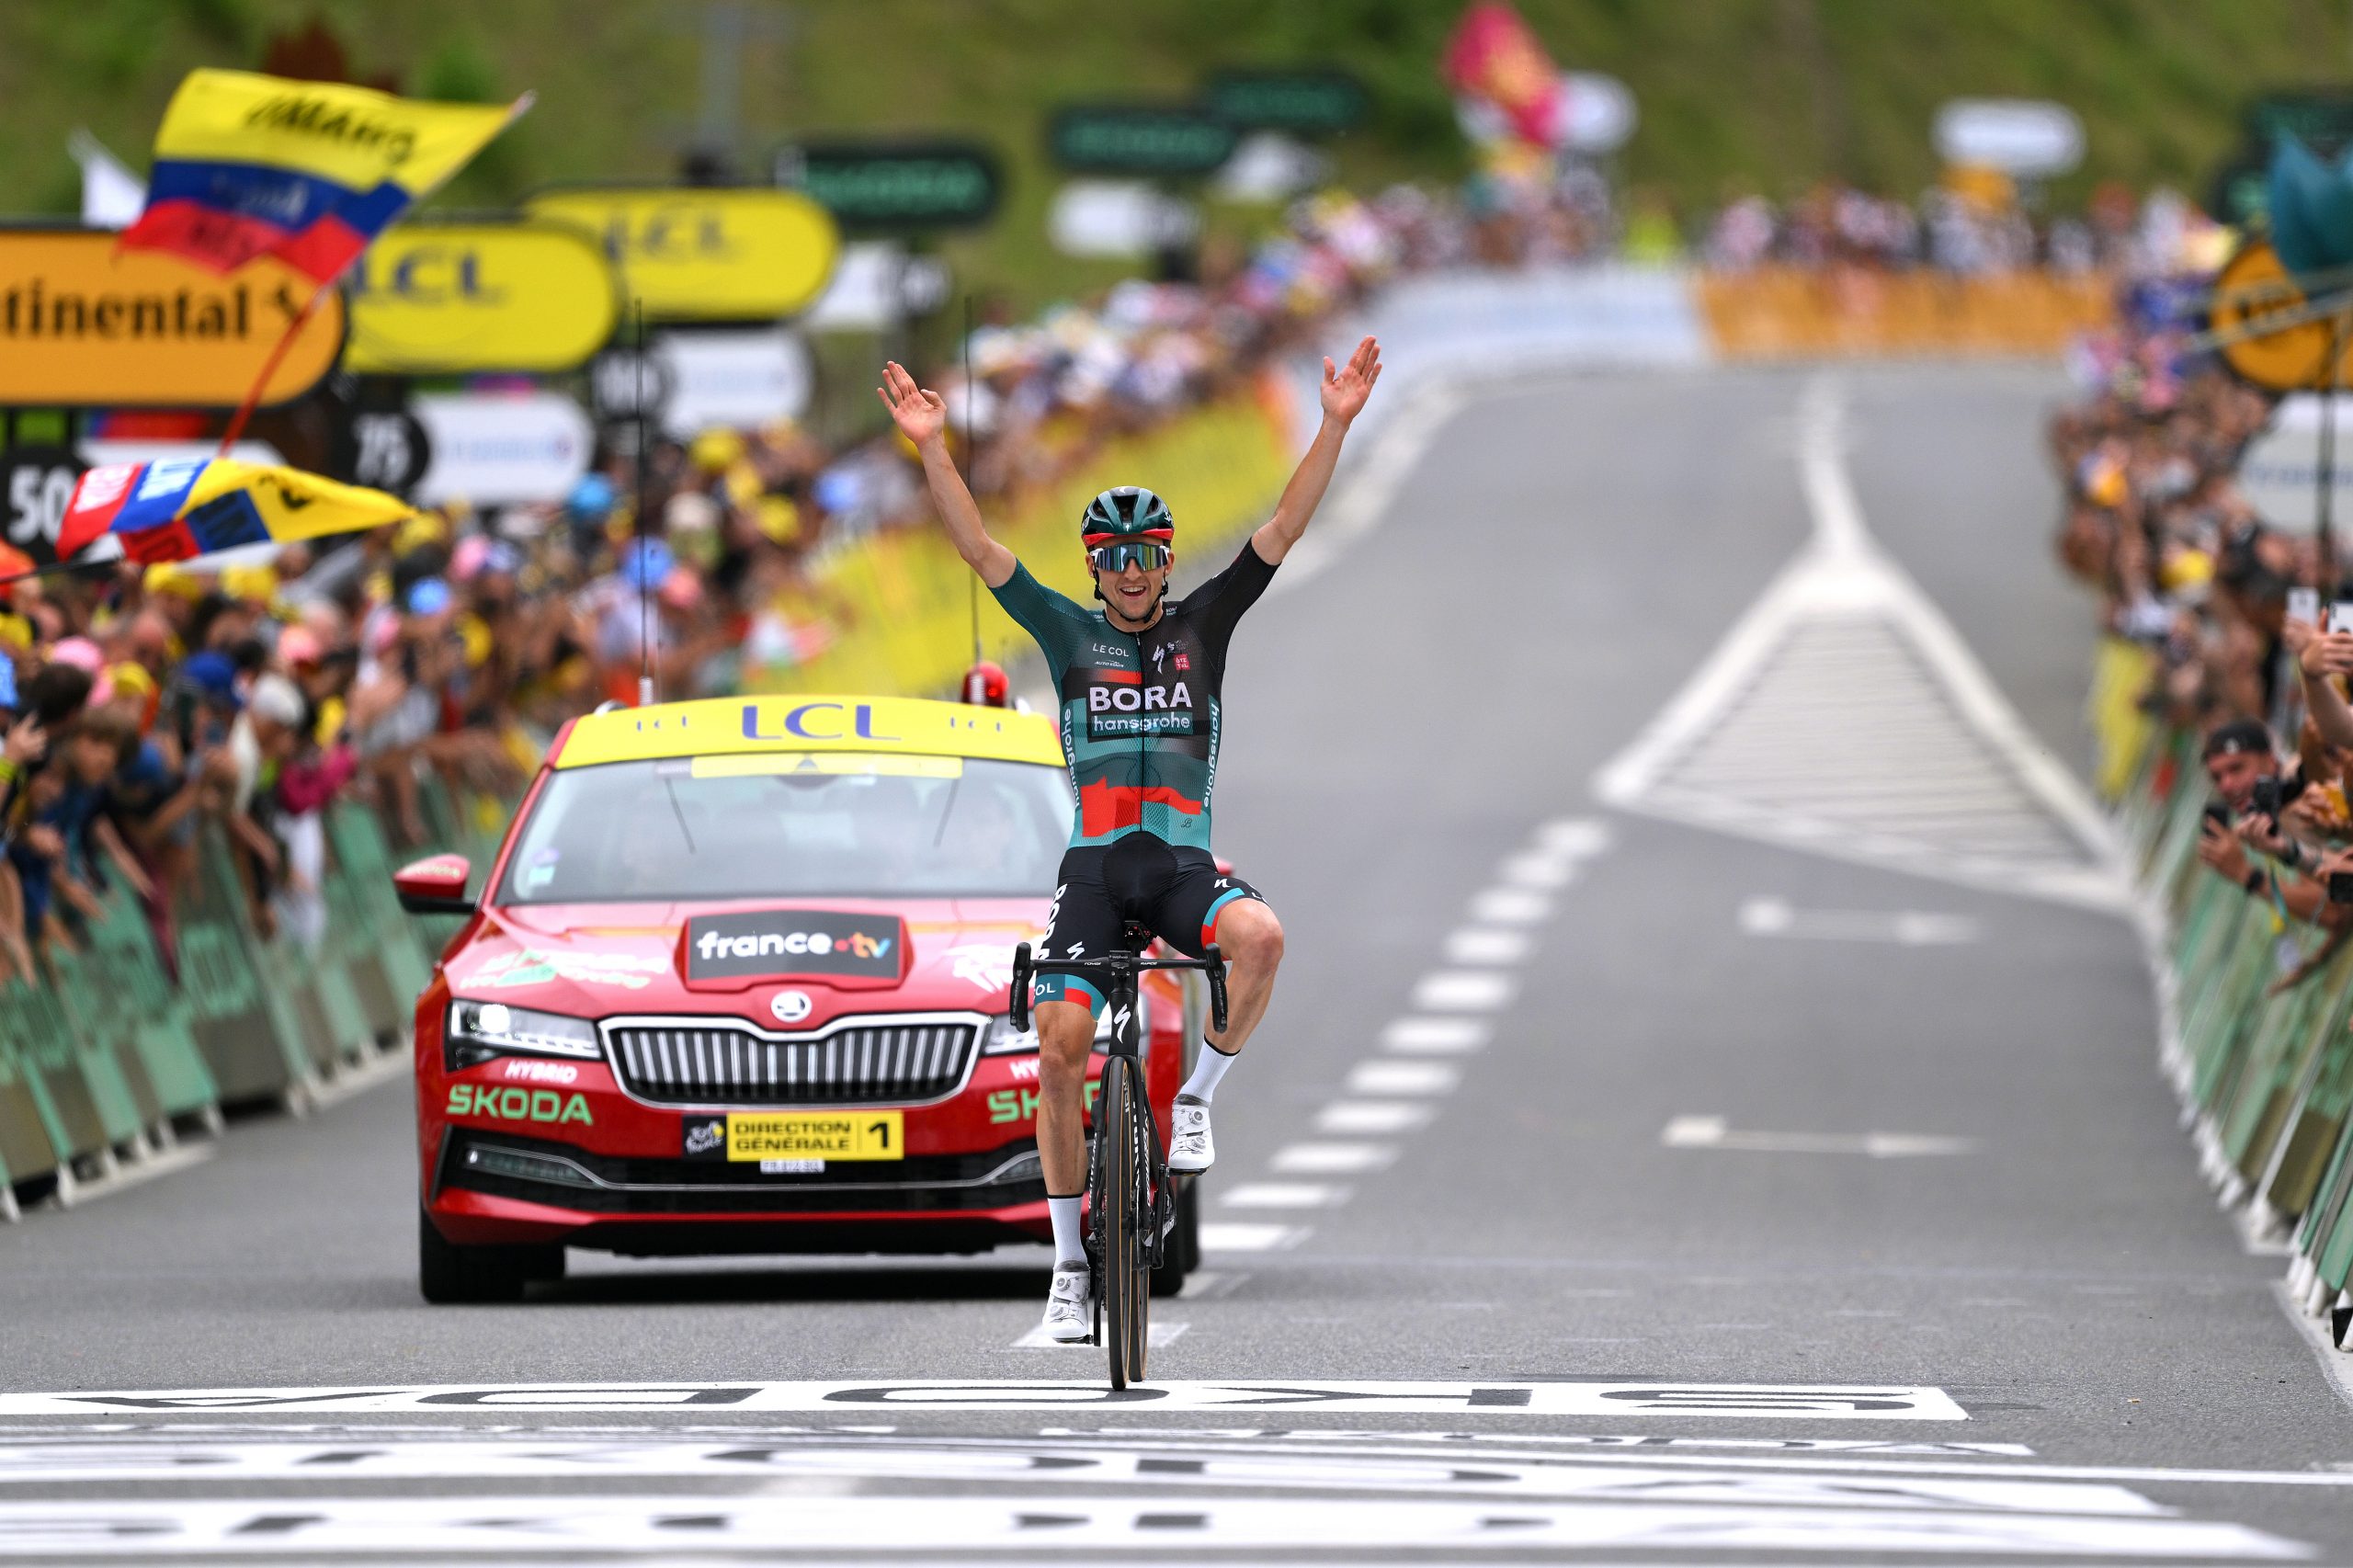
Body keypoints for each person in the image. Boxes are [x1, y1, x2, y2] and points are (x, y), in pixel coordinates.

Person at [879, 336, 1384, 1341]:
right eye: (1115, 558)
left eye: (1149, 554)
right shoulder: (1069, 635)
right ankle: (1069, 1265)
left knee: (1265, 940)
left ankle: (1195, 1096)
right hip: (1095, 873)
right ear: (1095, 567)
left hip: (1185, 865)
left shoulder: (1206, 624)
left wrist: (1332, 422)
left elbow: (1282, 525)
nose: (1136, 571)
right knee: (1058, 1052)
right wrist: (933, 448)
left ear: (1165, 558)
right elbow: (981, 553)